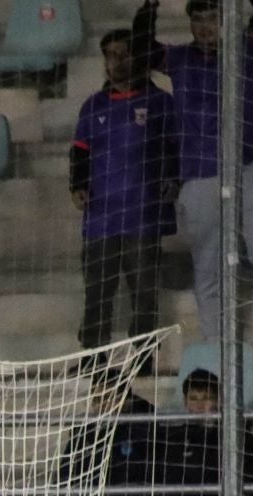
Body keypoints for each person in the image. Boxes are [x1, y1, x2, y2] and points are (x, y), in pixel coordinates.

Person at [135, 0, 253, 367]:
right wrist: (149, 7)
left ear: (225, 19)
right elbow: (141, 47)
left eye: (213, 18)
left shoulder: (243, 49)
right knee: (208, 268)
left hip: (248, 166)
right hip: (200, 172)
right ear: (190, 23)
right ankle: (215, 347)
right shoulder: (178, 58)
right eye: (198, 19)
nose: (205, 26)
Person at [73, 29, 178, 350]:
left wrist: (172, 179)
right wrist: (77, 185)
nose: (116, 61)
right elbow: (80, 150)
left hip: (142, 215)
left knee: (144, 293)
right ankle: (94, 359)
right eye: (110, 55)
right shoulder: (93, 105)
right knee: (97, 293)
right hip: (101, 217)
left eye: (124, 54)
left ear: (139, 58)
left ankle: (143, 359)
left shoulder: (160, 102)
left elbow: (174, 147)